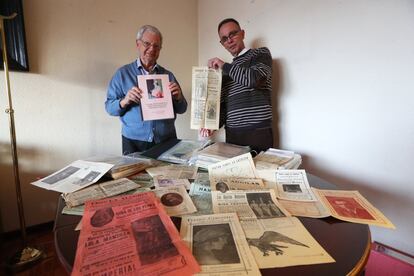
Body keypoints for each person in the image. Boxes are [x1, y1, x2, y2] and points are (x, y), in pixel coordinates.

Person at [105, 25, 187, 155]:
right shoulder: (122, 74)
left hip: (166, 140)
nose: (152, 49)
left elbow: (183, 108)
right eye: (147, 44)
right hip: (134, 141)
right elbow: (109, 108)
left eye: (156, 46)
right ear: (138, 44)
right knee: (135, 175)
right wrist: (124, 101)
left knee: (167, 175)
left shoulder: (167, 75)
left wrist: (179, 98)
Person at [200, 18, 274, 153]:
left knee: (261, 174)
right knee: (235, 174)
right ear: (222, 44)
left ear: (243, 34)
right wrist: (212, 125)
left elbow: (255, 79)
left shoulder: (261, 54)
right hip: (233, 135)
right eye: (224, 39)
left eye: (232, 34)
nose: (229, 40)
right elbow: (224, 109)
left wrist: (224, 65)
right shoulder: (226, 72)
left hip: (258, 132)